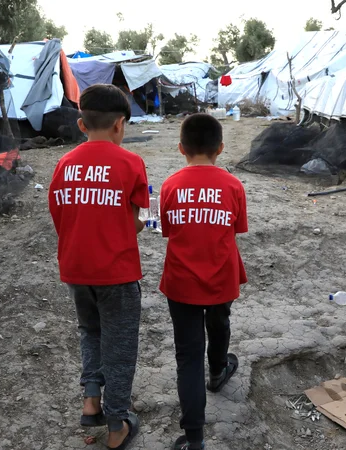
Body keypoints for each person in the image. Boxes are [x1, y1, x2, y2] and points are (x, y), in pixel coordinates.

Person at [48, 84, 148, 450]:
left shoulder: (64, 163)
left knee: (90, 330)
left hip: (76, 269)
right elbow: (138, 220)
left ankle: (91, 398)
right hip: (117, 273)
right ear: (120, 125)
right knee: (120, 346)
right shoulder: (131, 163)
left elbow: (61, 217)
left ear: (81, 123)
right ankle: (117, 423)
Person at [159, 113, 248, 450]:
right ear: (220, 148)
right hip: (221, 276)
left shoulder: (170, 184)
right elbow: (237, 229)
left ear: (181, 148)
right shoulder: (232, 185)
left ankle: (194, 438)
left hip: (181, 281)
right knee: (220, 319)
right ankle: (218, 370)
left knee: (188, 356)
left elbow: (168, 230)